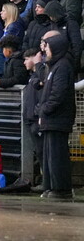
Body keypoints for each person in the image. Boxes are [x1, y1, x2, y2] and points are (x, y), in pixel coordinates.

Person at [35, 35, 76, 199]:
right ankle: (50, 186)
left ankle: (61, 188)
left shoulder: (63, 66)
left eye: (48, 47)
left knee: (57, 155)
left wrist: (43, 110)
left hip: (58, 119)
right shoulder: (53, 67)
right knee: (49, 156)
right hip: (50, 119)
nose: (45, 50)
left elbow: (57, 95)